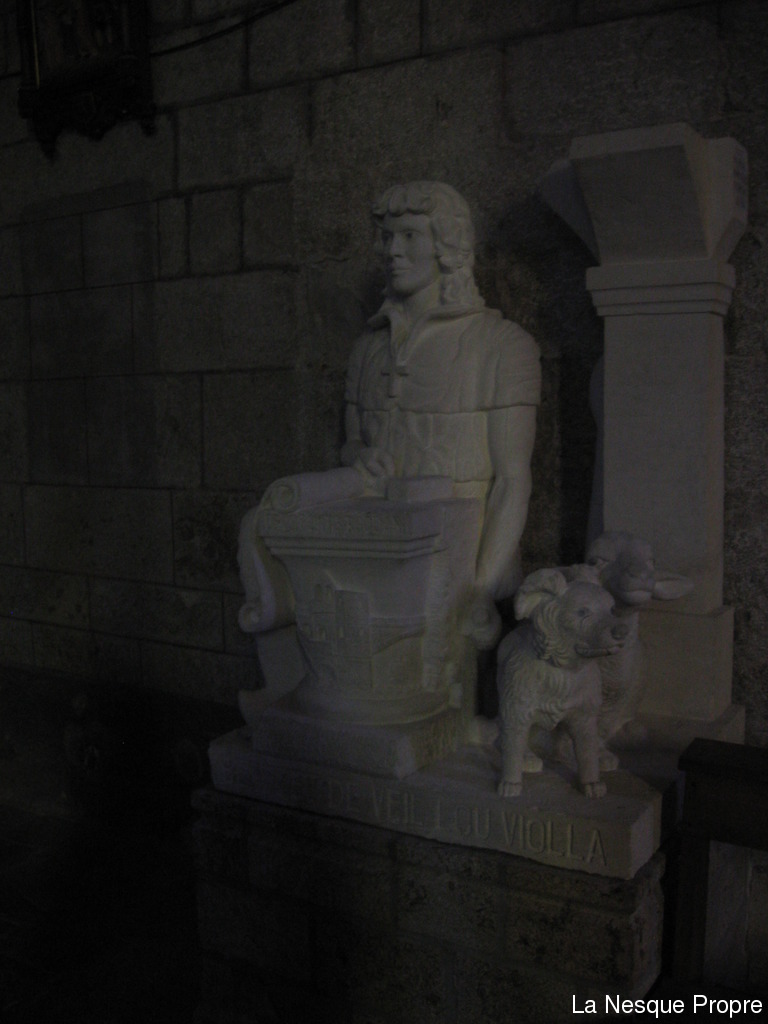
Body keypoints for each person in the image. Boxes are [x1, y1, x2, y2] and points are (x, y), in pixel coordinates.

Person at [340, 181, 541, 646]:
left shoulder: (501, 346)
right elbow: (351, 443)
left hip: (455, 565)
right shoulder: (367, 350)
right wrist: (358, 456)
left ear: (447, 245)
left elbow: (512, 481)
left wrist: (480, 588)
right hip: (376, 556)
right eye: (388, 237)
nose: (393, 250)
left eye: (410, 235)